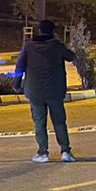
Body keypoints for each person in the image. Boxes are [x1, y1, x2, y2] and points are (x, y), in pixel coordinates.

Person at [15, 19, 77, 163]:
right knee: (59, 122)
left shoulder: (29, 46)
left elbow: (20, 66)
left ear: (39, 30)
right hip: (55, 91)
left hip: (35, 91)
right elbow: (71, 56)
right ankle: (65, 151)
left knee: (39, 122)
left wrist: (16, 84)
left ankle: (43, 153)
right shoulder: (56, 46)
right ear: (53, 32)